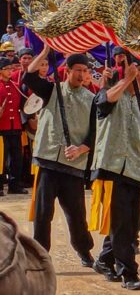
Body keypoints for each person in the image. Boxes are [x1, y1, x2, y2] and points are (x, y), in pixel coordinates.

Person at [90, 60, 140, 290]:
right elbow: (105, 102)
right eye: (139, 72)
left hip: (135, 169)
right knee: (123, 225)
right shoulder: (109, 93)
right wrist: (126, 79)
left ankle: (104, 259)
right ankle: (128, 273)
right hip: (113, 168)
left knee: (132, 225)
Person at [24, 47, 96, 265]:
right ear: (67, 71)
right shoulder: (51, 90)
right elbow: (29, 75)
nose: (82, 75)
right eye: (77, 70)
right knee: (43, 213)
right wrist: (45, 51)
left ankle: (84, 251)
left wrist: (81, 148)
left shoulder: (92, 99)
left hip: (73, 163)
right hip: (48, 160)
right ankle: (40, 255)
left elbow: (95, 133)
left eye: (85, 70)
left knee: (76, 215)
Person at [0, 57, 25, 195]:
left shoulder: (15, 85)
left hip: (15, 125)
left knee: (16, 157)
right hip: (1, 127)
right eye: (7, 69)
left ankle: (14, 185)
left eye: (11, 69)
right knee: (1, 158)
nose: (10, 71)